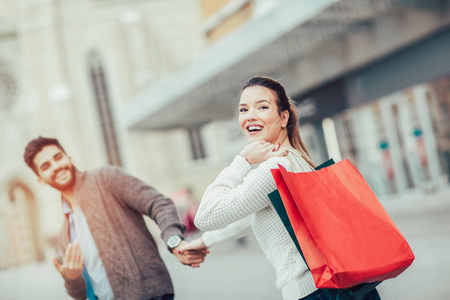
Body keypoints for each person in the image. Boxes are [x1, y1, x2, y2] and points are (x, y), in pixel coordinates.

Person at [179, 76, 380, 300]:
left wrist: (243, 160)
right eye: (243, 109)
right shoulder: (295, 158)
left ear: (283, 117)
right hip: (340, 288)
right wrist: (206, 242)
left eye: (262, 107)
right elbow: (256, 213)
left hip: (314, 292)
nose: (250, 116)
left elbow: (205, 216)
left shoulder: (275, 167)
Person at [23, 137, 208, 300]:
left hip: (150, 295)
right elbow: (80, 295)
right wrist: (71, 279)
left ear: (68, 158)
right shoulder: (64, 235)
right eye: (46, 166)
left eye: (58, 157)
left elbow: (158, 203)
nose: (56, 166)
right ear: (40, 179)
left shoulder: (106, 178)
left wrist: (175, 242)